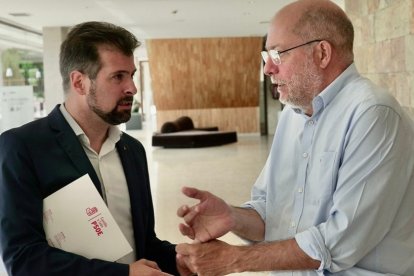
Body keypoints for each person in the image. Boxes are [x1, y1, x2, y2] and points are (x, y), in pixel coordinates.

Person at [175, 0, 414, 275]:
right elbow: (275, 214)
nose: (267, 70)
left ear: (322, 53)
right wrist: (233, 217)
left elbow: (340, 243)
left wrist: (233, 259)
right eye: (266, 58)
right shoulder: (292, 115)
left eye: (278, 54)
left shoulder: (372, 114)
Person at [0, 21, 191, 276]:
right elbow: (23, 259)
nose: (132, 88)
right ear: (79, 83)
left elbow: (143, 247)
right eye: (117, 76)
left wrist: (178, 258)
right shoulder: (22, 148)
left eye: (132, 75)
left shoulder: (133, 151)